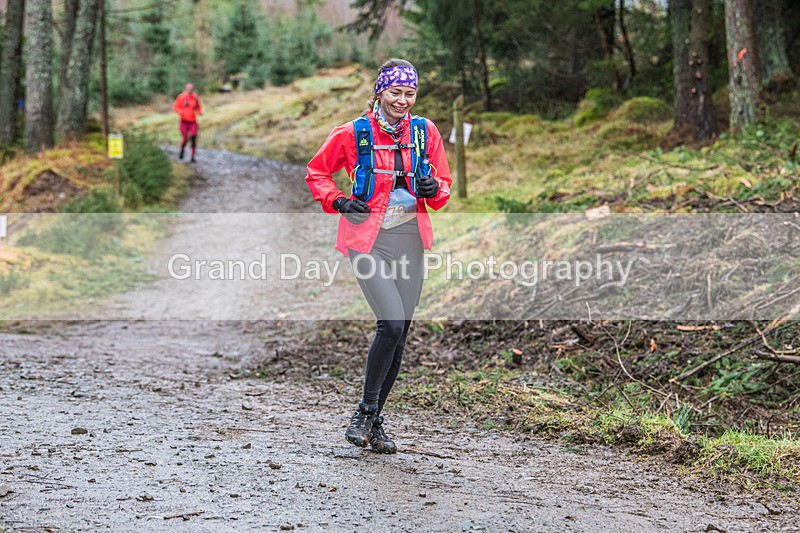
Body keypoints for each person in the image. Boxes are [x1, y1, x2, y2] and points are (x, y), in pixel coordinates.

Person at [305, 59, 452, 453]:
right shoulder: (353, 133)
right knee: (390, 323)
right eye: (395, 92)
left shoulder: (425, 132)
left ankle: (375, 422)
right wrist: (337, 200)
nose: (402, 100)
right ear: (379, 92)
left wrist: (431, 185)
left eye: (410, 93)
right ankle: (366, 411)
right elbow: (317, 172)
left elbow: (443, 191)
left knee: (400, 335)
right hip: (367, 240)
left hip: (409, 240)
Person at [173, 82, 203, 162]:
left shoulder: (195, 97)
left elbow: (199, 108)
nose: (190, 90)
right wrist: (180, 111)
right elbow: (175, 107)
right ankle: (182, 150)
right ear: (186, 89)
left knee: (193, 138)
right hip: (183, 121)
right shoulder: (181, 97)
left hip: (193, 121)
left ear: (193, 89)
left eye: (191, 89)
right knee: (185, 139)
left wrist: (200, 112)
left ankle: (193, 156)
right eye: (188, 88)